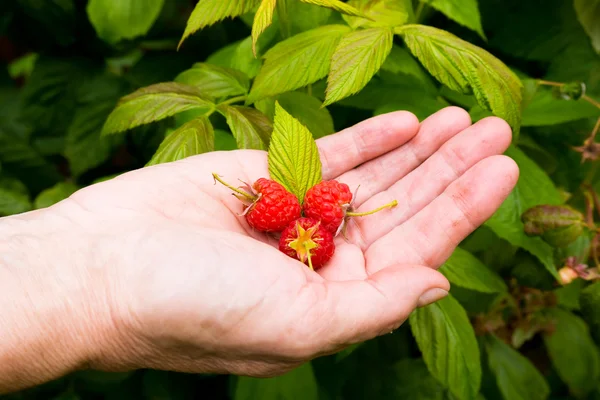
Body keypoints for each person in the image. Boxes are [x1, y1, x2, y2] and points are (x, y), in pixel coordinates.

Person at [0, 107, 518, 394]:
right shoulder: (298, 221)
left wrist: (81, 267)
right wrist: (93, 281)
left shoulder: (309, 219)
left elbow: (311, 217)